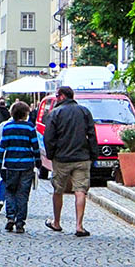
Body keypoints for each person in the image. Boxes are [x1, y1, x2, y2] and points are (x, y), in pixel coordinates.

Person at [42, 86, 98, 237]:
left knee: (58, 190)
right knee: (80, 191)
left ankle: (56, 222)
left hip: (61, 158)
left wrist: (51, 154)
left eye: (57, 96)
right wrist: (93, 155)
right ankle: (79, 226)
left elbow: (48, 137)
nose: (56, 98)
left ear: (61, 96)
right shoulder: (84, 111)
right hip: (82, 157)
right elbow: (92, 135)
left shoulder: (55, 113)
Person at [0, 98, 48, 232]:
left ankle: (10, 216)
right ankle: (20, 222)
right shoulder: (30, 128)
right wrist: (38, 162)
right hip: (26, 165)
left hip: (11, 165)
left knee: (10, 191)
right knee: (23, 194)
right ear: (26, 114)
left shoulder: (7, 127)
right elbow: (35, 147)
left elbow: (2, 148)